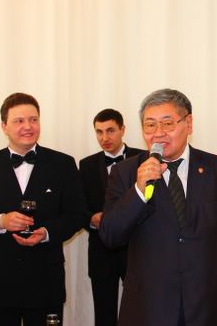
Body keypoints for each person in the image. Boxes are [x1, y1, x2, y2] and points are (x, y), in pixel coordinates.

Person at [100, 88, 217, 326]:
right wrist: (139, 191)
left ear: (189, 124)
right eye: (150, 125)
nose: (158, 133)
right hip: (148, 307)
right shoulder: (125, 172)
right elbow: (110, 235)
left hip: (209, 305)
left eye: (167, 123)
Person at [0, 93, 88, 326]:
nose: (28, 126)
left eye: (33, 119)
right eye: (19, 121)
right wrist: (1, 222)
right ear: (4, 126)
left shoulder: (63, 164)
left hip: (45, 280)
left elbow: (78, 215)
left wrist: (46, 232)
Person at [79, 108, 142, 326]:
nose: (104, 137)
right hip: (101, 249)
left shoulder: (143, 158)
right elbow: (79, 206)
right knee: (103, 313)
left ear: (122, 129)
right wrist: (91, 219)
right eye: (99, 132)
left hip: (137, 247)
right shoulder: (86, 165)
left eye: (110, 130)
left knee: (140, 312)